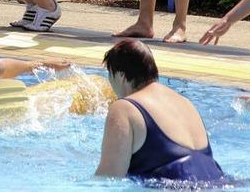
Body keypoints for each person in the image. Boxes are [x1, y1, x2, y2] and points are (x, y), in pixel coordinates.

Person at [95, 39, 225, 182]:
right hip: (218, 182)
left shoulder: (124, 108)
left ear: (121, 76)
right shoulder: (185, 102)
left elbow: (109, 177)